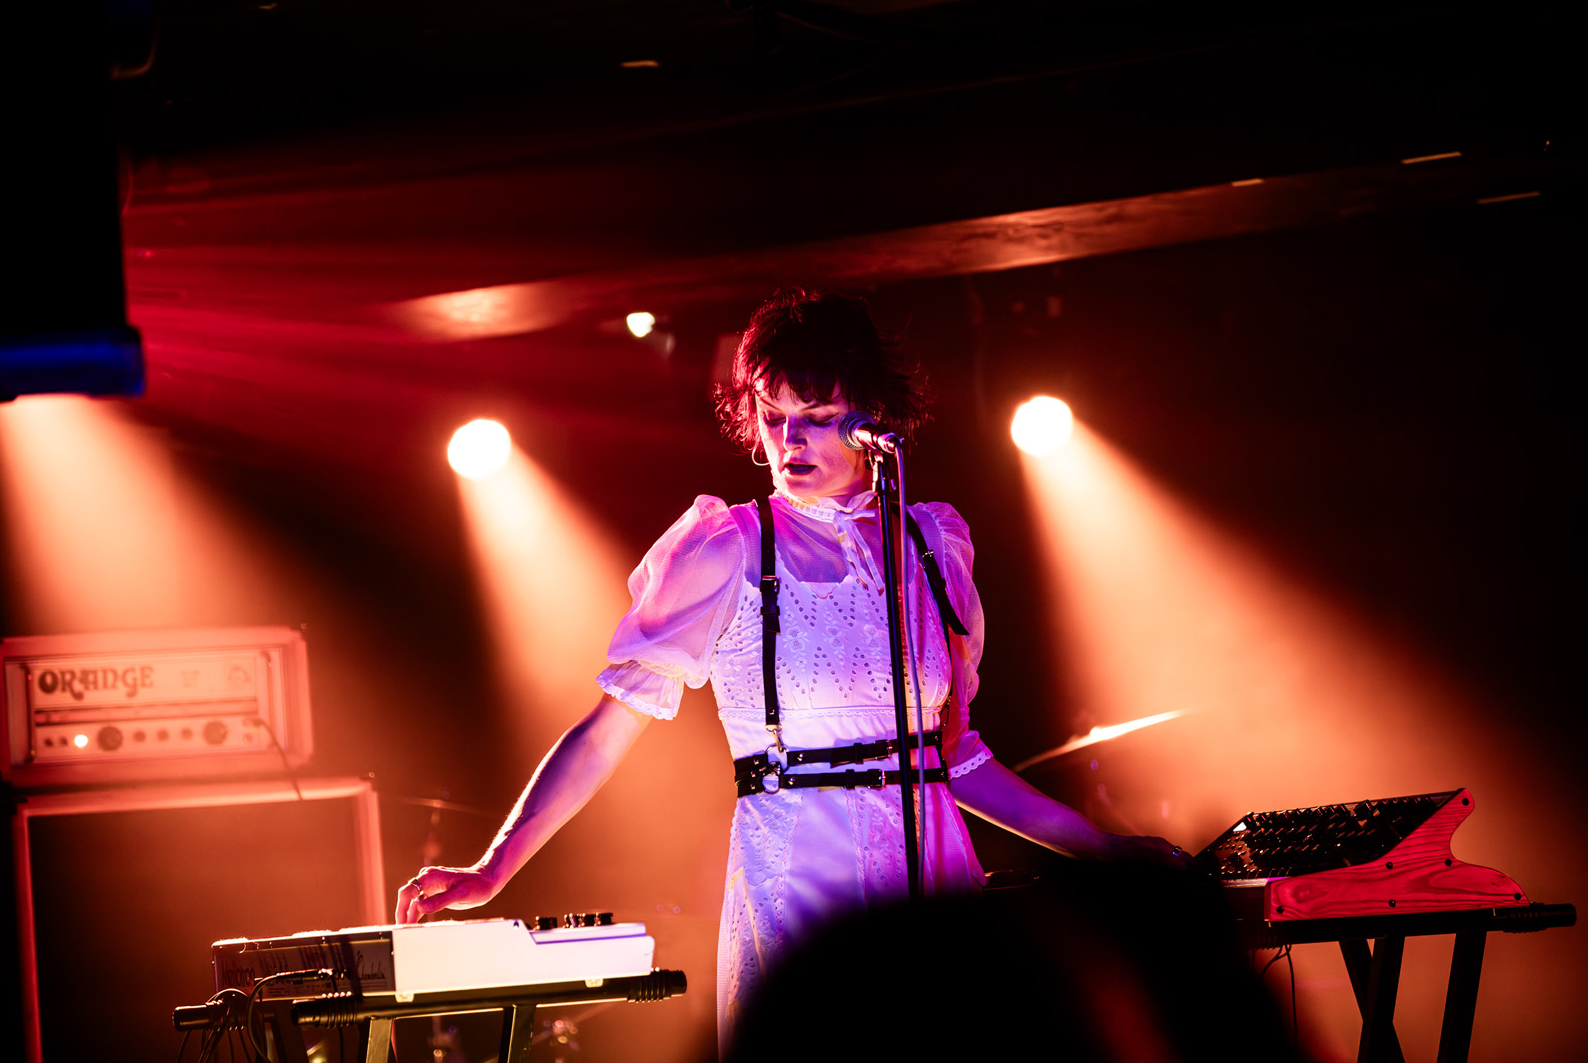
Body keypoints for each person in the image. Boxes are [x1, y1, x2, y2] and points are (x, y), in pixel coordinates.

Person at [395, 289, 1185, 1046]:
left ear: (874, 420)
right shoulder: (728, 549)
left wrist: (1104, 849)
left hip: (935, 884)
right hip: (801, 884)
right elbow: (608, 728)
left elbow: (953, 758)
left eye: (817, 417)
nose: (789, 440)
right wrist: (495, 864)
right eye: (773, 417)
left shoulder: (932, 545)